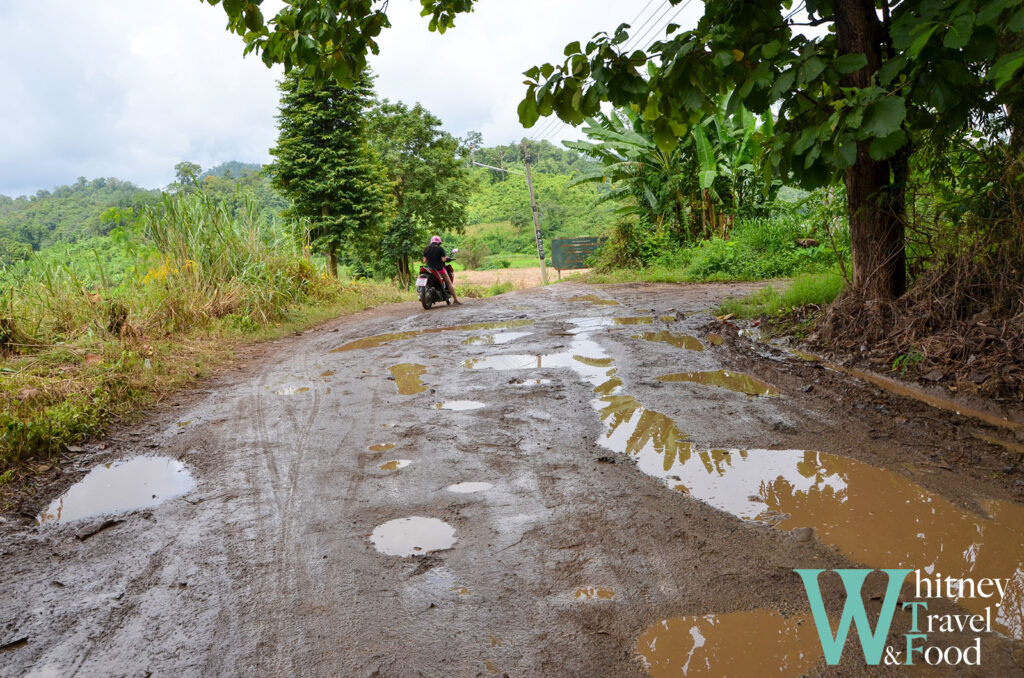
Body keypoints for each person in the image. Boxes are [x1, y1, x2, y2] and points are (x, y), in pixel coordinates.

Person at [422, 235, 461, 305]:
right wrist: (447, 259)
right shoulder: (440, 249)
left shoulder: (426, 249)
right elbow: (443, 259)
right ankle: (455, 299)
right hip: (439, 269)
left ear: (431, 242)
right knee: (449, 283)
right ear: (439, 243)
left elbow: (424, 261)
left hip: (429, 269)